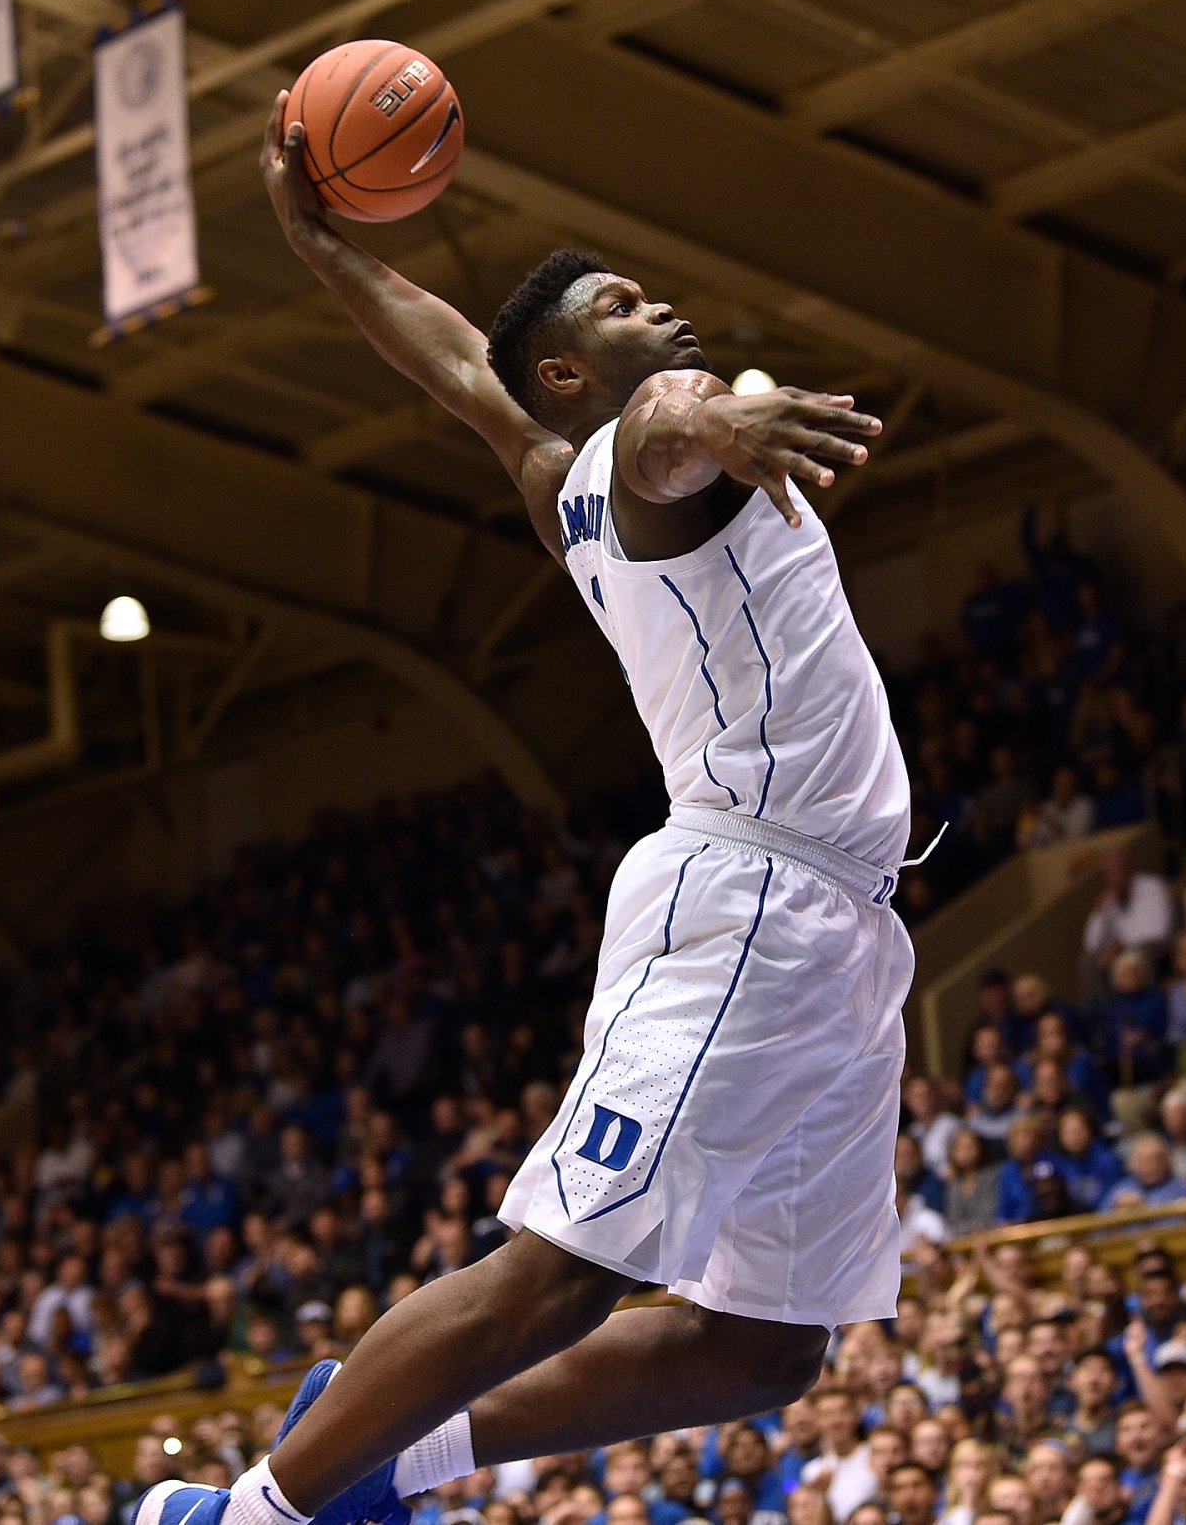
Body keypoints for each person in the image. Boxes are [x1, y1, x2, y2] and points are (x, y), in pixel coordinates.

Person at [189, 93, 916, 1525]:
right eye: (623, 308)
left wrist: (322, 247)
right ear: (576, 375)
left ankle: (391, 1453)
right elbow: (662, 427)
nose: (664, 313)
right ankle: (251, 1512)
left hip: (841, 932)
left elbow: (464, 360)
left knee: (769, 1345)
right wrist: (720, 409)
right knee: (567, 1269)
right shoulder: (654, 460)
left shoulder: (547, 470)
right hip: (749, 905)